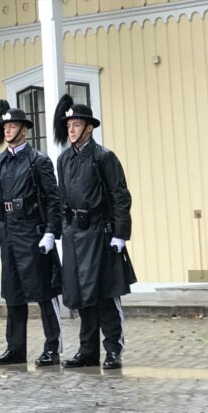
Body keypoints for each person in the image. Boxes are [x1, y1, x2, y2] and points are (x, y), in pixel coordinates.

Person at [54, 96, 136, 370]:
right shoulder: (64, 159)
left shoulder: (103, 157)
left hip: (100, 231)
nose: (72, 130)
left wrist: (120, 234)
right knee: (81, 293)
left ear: (89, 128)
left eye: (77, 125)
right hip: (74, 233)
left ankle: (113, 349)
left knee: (104, 293)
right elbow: (62, 197)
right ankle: (87, 350)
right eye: (69, 126)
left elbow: (120, 196)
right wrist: (61, 230)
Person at [0, 102, 63, 367]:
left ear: (24, 130)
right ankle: (15, 348)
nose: (8, 130)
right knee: (13, 294)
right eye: (5, 126)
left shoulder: (38, 160)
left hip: (32, 231)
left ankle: (53, 346)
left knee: (43, 292)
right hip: (8, 232)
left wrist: (51, 232)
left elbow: (53, 199)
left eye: (13, 126)